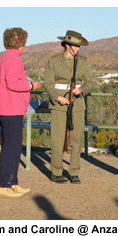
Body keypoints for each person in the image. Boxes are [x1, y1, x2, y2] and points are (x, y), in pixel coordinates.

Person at [0, 27, 41, 198]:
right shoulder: (13, 60)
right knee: (11, 148)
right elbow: (13, 83)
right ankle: (4, 185)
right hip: (11, 109)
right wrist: (31, 85)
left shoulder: (2, 59)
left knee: (10, 147)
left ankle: (12, 182)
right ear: (21, 43)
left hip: (3, 108)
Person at [43, 30, 94, 184]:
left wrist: (81, 90)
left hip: (77, 104)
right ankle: (56, 172)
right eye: (75, 45)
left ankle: (74, 172)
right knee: (58, 139)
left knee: (77, 139)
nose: (78, 49)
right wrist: (57, 97)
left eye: (79, 46)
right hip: (59, 104)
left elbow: (90, 83)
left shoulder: (83, 62)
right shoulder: (53, 61)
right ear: (67, 44)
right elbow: (47, 83)